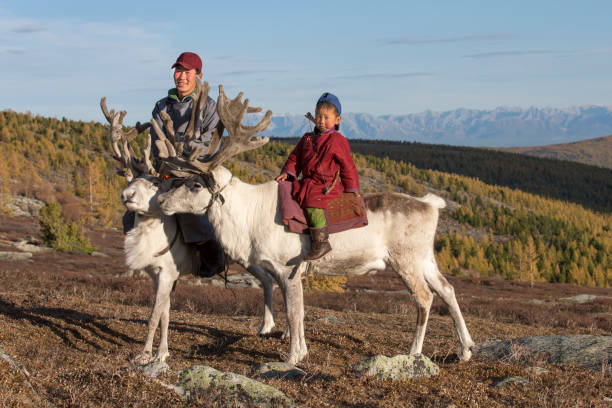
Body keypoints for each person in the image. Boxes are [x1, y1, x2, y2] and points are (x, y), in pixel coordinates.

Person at [125, 51, 225, 277]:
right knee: (132, 210)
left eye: (187, 72)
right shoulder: (162, 106)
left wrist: (180, 150)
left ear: (198, 74)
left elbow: (211, 143)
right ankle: (150, 259)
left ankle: (210, 259)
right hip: (165, 171)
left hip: (196, 172)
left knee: (191, 216)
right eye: (178, 71)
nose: (181, 76)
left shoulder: (210, 107)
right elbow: (156, 139)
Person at [275, 92, 360, 260]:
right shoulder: (307, 138)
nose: (321, 120)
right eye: (318, 116)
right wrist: (288, 172)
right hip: (307, 182)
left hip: (326, 185)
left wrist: (352, 188)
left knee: (313, 204)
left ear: (337, 120)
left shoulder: (337, 140)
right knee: (286, 190)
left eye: (326, 117)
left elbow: (347, 166)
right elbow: (295, 157)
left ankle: (321, 242)